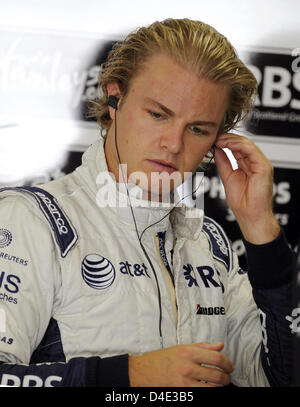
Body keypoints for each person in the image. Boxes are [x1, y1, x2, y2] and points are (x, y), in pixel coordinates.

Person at [0, 18, 294, 387]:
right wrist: (128, 376)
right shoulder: (29, 222)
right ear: (115, 99)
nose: (173, 144)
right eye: (158, 114)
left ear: (218, 140)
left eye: (198, 129)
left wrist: (261, 230)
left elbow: (281, 378)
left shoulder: (210, 244)